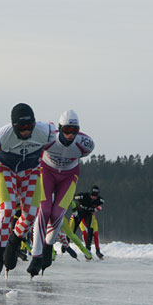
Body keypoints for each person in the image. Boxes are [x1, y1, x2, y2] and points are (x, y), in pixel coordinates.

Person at [0, 103, 55, 278]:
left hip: (31, 170)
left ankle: (14, 241)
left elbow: (62, 147)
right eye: (21, 128)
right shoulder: (3, 135)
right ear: (13, 126)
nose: (26, 132)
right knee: (8, 208)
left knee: (31, 214)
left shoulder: (46, 130)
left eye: (29, 127)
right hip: (5, 169)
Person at [27, 110, 95, 277]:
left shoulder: (86, 143)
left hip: (69, 176)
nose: (70, 135)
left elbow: (84, 154)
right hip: (47, 172)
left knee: (57, 213)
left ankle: (48, 246)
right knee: (44, 211)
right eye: (66, 131)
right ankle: (36, 256)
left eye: (74, 131)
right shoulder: (48, 138)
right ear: (59, 129)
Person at [71, 185, 105, 259]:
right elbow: (72, 197)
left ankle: (97, 251)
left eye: (95, 196)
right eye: (92, 195)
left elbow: (100, 206)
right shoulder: (83, 196)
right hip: (80, 216)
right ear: (90, 194)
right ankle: (87, 250)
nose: (94, 197)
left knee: (95, 233)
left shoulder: (99, 200)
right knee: (84, 232)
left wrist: (95, 209)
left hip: (90, 217)